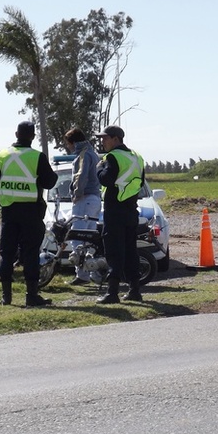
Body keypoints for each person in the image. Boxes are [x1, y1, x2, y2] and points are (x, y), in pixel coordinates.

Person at [0, 121, 58, 307]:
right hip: (31, 211)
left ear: (16, 134)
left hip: (9, 210)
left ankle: (6, 296)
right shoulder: (37, 157)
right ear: (33, 137)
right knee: (30, 253)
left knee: (7, 252)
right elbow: (50, 182)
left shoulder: (2, 155)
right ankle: (31, 295)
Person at [95, 125, 145, 304]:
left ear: (116, 139)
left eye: (105, 138)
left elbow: (106, 179)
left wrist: (98, 168)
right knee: (131, 250)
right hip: (131, 208)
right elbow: (140, 182)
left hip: (114, 209)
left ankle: (112, 292)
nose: (102, 142)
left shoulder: (112, 157)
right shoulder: (136, 157)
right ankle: (135, 290)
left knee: (114, 251)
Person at [64, 127, 102, 285]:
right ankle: (94, 273)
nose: (67, 147)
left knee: (77, 237)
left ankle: (82, 276)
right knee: (89, 239)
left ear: (73, 142)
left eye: (68, 143)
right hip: (95, 199)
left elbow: (81, 176)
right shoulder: (93, 153)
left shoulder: (83, 155)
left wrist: (76, 195)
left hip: (84, 199)